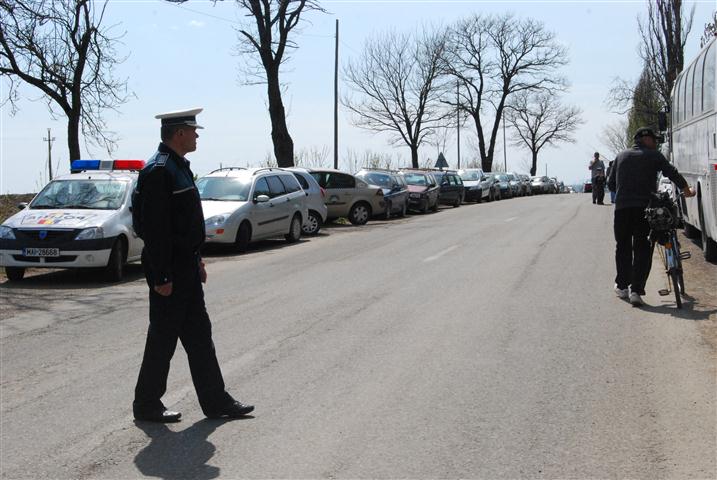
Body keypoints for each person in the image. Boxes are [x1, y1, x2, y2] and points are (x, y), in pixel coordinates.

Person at [132, 108, 254, 422]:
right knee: (162, 339)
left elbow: (183, 224)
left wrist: (196, 259)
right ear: (179, 133)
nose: (197, 135)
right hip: (168, 270)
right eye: (193, 130)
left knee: (200, 336)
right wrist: (161, 274)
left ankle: (216, 402)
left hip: (184, 267)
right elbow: (154, 229)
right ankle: (146, 404)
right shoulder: (159, 171)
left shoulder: (177, 167)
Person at [607, 127, 695, 306]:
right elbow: (672, 173)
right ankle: (636, 291)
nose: (656, 143)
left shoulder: (621, 156)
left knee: (623, 247)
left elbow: (611, 184)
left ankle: (622, 286)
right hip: (645, 209)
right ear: (645, 139)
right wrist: (687, 190)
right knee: (643, 248)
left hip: (622, 209)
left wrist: (625, 193)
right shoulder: (654, 155)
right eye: (654, 140)